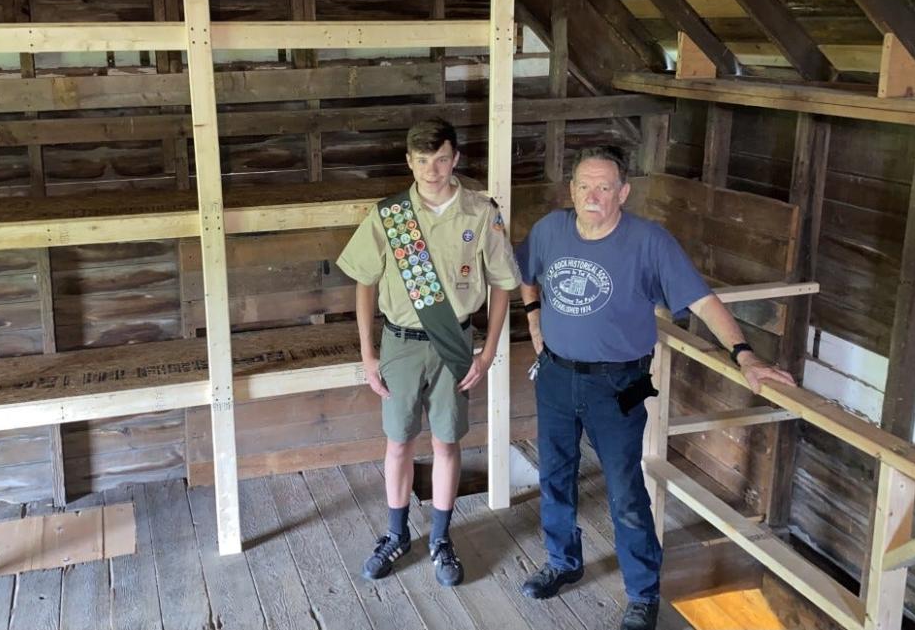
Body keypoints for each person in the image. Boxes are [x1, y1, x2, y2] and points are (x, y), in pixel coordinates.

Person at [514, 145, 795, 630]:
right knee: (554, 475)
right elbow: (523, 273)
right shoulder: (549, 230)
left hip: (616, 382)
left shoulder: (649, 242)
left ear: (623, 192)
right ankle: (563, 562)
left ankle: (643, 592)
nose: (593, 196)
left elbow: (702, 301)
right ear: (572, 190)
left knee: (624, 490)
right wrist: (533, 318)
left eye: (605, 187)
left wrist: (744, 354)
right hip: (557, 376)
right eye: (584, 185)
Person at [336, 118, 520, 587]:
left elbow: (503, 283)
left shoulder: (481, 212)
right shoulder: (390, 215)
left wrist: (489, 350)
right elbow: (364, 280)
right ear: (409, 162)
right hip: (399, 341)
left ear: (455, 158)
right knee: (398, 441)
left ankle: (440, 538)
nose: (432, 170)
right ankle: (396, 534)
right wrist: (368, 353)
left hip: (455, 341)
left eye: (441, 159)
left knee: (447, 441)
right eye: (422, 161)